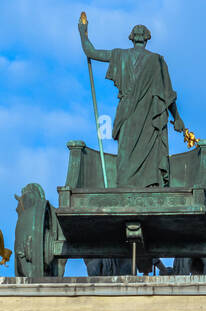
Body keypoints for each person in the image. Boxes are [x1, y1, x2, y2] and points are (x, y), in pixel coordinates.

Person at [78, 17, 187, 187]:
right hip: (140, 114)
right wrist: (177, 118)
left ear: (135, 37)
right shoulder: (153, 60)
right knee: (127, 154)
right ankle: (130, 191)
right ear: (146, 38)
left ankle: (140, 188)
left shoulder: (147, 59)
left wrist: (82, 32)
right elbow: (168, 95)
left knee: (129, 154)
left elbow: (90, 52)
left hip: (141, 114)